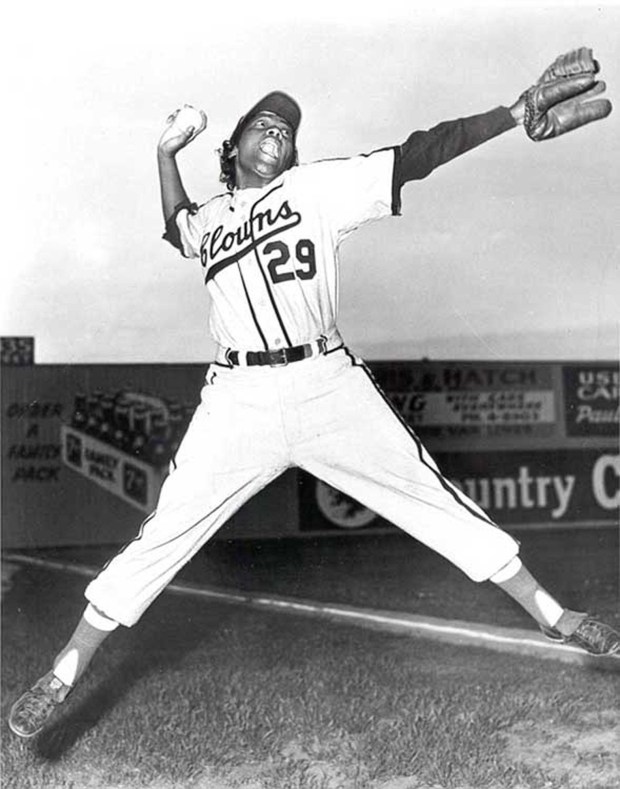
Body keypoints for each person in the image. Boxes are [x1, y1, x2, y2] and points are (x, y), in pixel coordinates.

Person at [9, 52, 619, 740]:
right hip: (237, 398)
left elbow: (422, 151)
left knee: (431, 497)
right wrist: (162, 152)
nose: (279, 132)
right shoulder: (209, 222)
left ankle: (552, 612)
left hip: (326, 384)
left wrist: (511, 115)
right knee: (164, 532)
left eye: (288, 129)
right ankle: (63, 668)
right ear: (232, 147)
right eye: (264, 124)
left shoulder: (319, 189)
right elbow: (175, 218)